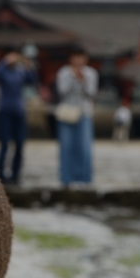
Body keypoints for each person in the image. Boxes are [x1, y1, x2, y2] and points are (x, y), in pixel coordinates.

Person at [55, 45, 98, 186]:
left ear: (85, 59)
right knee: (66, 147)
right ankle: (66, 179)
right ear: (71, 58)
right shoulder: (64, 73)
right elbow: (62, 92)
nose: (78, 60)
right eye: (76, 57)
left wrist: (83, 80)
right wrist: (73, 78)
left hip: (84, 113)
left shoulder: (91, 73)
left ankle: (85, 179)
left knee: (84, 148)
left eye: (81, 57)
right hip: (67, 114)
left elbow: (91, 94)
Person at [0, 51, 36, 184]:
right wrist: (4, 63)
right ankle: (1, 174)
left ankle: (15, 175)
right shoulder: (3, 71)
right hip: (5, 110)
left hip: (19, 111)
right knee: (5, 144)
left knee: (19, 145)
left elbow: (33, 81)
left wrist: (30, 66)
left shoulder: (21, 71)